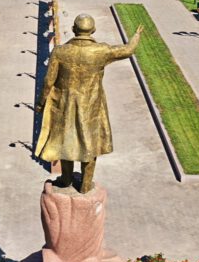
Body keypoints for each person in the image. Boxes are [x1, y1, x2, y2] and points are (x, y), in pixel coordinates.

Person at [34, 14, 142, 193]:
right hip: (91, 106)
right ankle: (85, 184)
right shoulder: (101, 51)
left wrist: (40, 103)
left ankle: (66, 179)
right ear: (93, 31)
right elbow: (128, 50)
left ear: (74, 30)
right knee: (89, 143)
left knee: (65, 141)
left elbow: (48, 81)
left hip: (65, 105)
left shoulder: (60, 51)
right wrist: (137, 35)